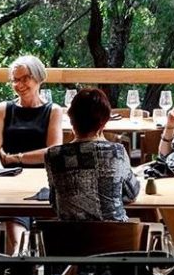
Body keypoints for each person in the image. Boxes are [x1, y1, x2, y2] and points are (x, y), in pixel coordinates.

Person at [0, 55, 63, 253]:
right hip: (9, 177)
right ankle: (21, 255)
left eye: (25, 78)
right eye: (15, 79)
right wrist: (0, 172)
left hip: (42, 176)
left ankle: (32, 258)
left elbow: (53, 151)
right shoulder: (2, 109)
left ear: (39, 78)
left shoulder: (53, 110)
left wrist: (17, 158)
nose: (19, 84)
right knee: (14, 208)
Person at [45, 88, 140, 222]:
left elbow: (55, 202)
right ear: (104, 122)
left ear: (71, 120)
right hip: (114, 239)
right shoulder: (116, 152)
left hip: (68, 241)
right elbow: (132, 194)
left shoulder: (54, 155)